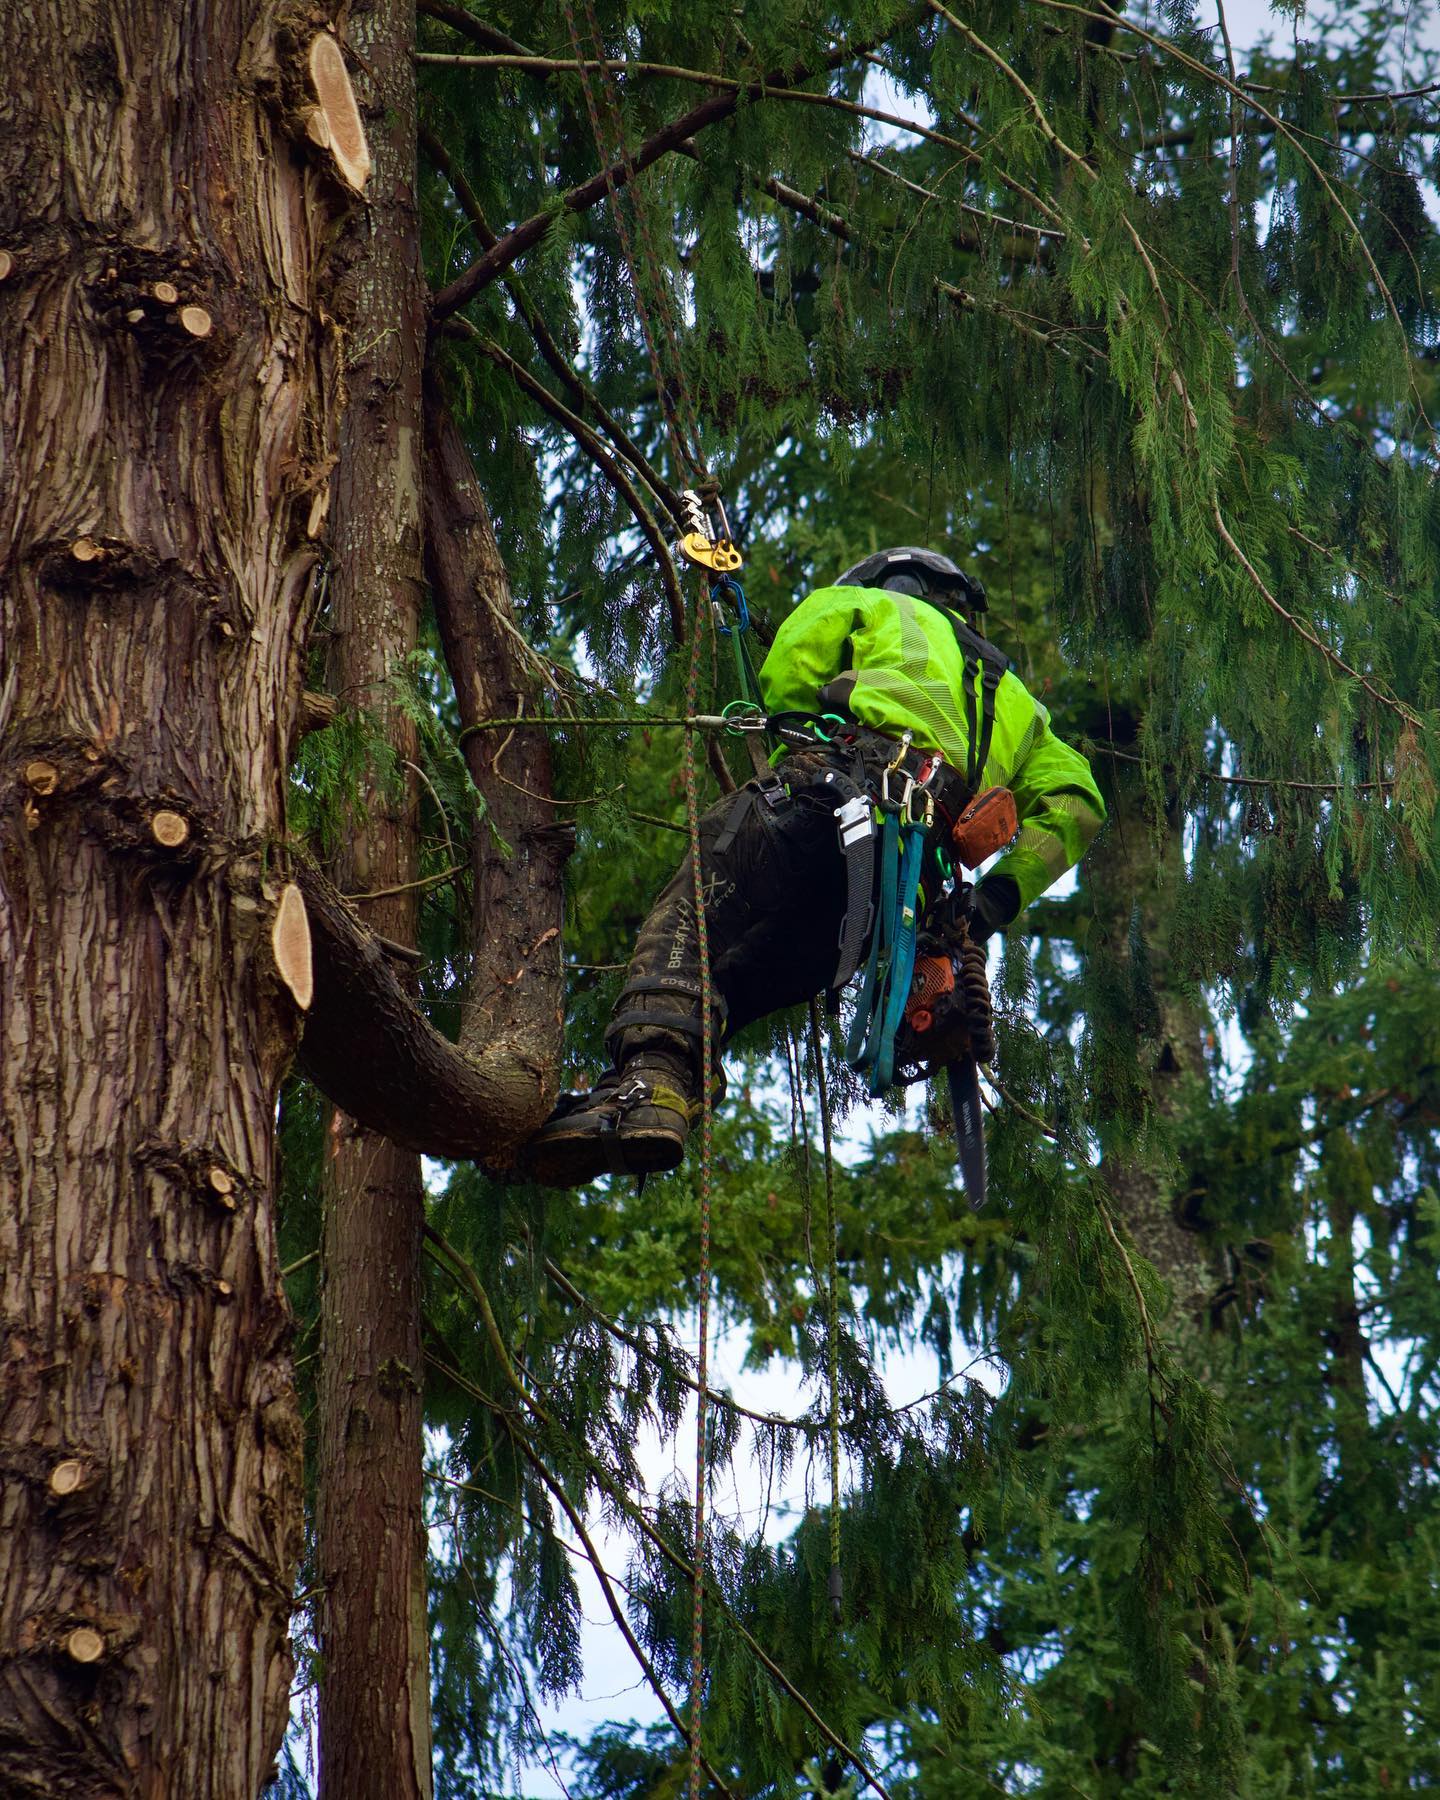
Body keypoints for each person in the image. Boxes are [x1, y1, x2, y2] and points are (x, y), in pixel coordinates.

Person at [524, 547, 1105, 1187]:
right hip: (896, 899)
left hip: (834, 795)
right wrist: (995, 898)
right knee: (737, 983)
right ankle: (663, 1097)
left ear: (880, 581)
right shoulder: (1018, 702)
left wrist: (796, 736)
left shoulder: (865, 604)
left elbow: (791, 667)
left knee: (694, 912)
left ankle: (647, 1085)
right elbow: (1077, 807)